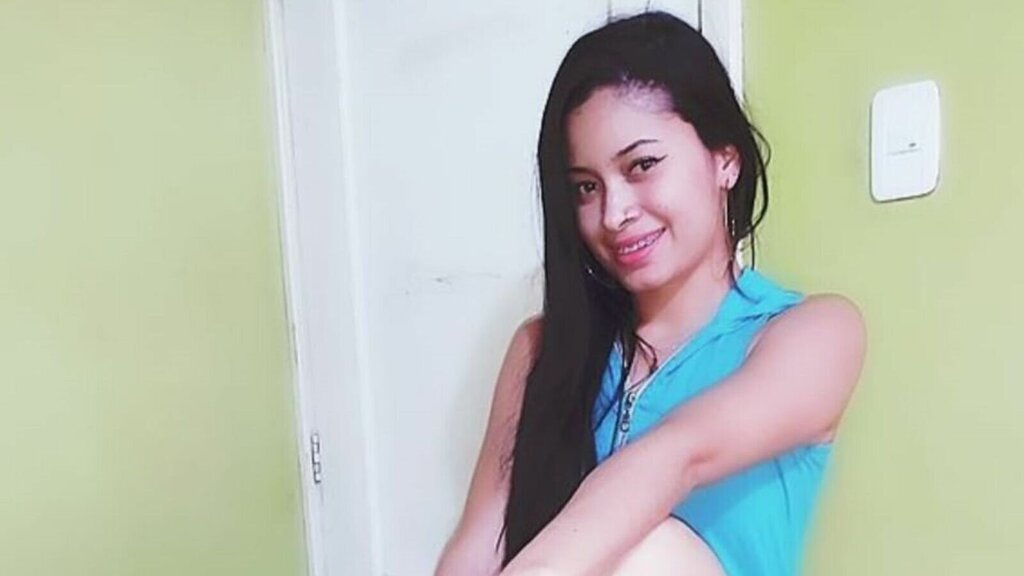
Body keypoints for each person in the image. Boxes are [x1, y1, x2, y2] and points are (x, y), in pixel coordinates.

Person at [436, 11, 865, 576]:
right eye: (586, 187)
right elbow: (476, 547)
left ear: (725, 160)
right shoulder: (540, 351)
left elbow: (677, 457)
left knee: (643, 549)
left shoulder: (813, 333)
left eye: (642, 166)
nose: (613, 213)